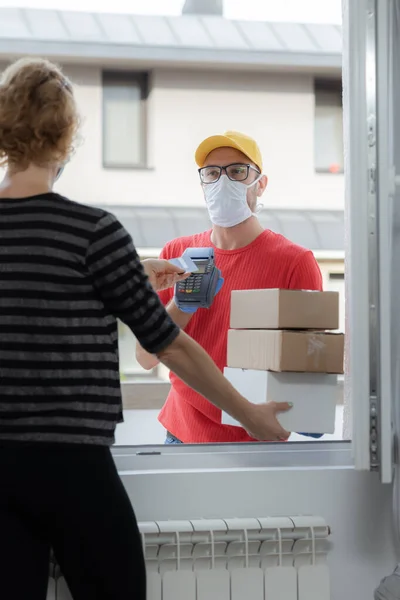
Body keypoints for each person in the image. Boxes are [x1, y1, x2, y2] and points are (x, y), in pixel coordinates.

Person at [0, 59, 292, 600]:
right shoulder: (92, 232)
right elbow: (169, 346)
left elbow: (30, 278)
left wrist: (128, 272)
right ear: (68, 137)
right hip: (73, 467)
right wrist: (250, 413)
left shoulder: (89, 244)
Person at [136, 130, 323, 444]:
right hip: (181, 436)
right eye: (211, 173)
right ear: (202, 185)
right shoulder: (176, 255)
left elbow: (308, 365)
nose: (223, 182)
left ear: (260, 184)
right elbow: (145, 358)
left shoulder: (295, 261)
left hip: (254, 442)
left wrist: (293, 418)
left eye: (237, 171)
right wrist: (182, 305)